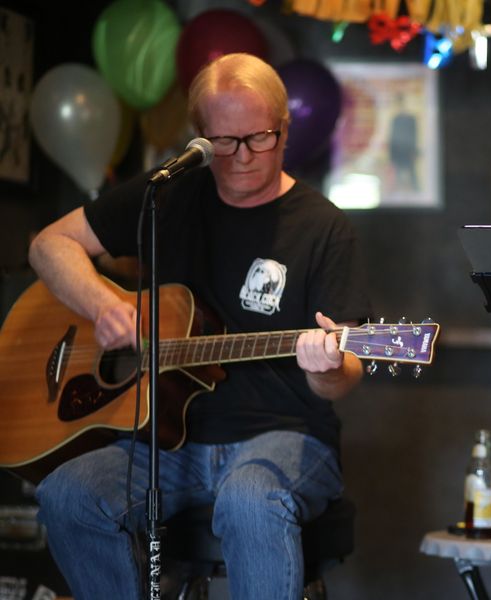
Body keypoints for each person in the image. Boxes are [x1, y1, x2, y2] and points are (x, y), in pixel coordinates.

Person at [27, 53, 371, 599]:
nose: (242, 156)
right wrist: (101, 305)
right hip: (164, 440)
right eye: (224, 142)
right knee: (67, 494)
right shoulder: (166, 195)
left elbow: (346, 369)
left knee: (249, 498)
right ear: (200, 140)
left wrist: (325, 367)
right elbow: (49, 245)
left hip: (285, 436)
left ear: (283, 131)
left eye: (258, 138)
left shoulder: (324, 227)